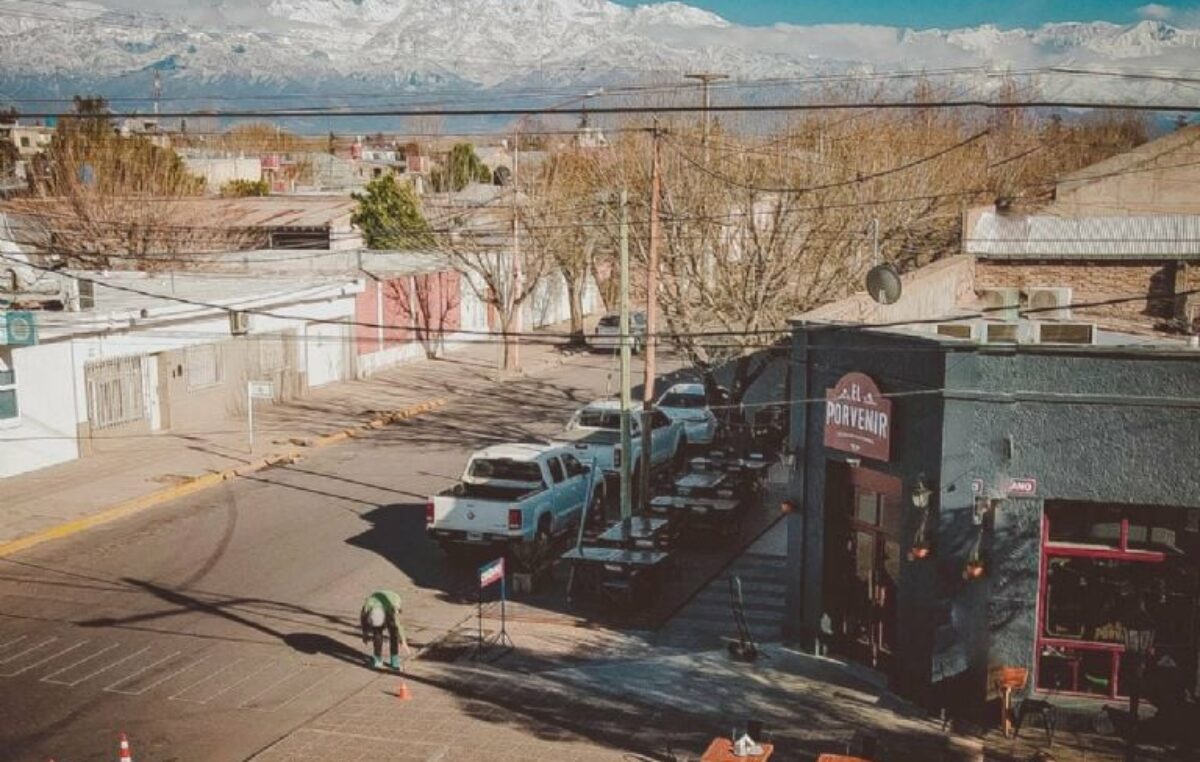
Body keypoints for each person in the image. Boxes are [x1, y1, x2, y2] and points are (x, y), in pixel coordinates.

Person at [359, 589, 411, 670]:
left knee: (394, 632)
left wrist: (403, 641)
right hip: (377, 608)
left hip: (391, 601)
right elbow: (363, 620)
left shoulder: (392, 605)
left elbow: (398, 624)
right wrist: (364, 634)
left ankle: (394, 661)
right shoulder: (367, 607)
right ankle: (378, 660)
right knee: (377, 634)